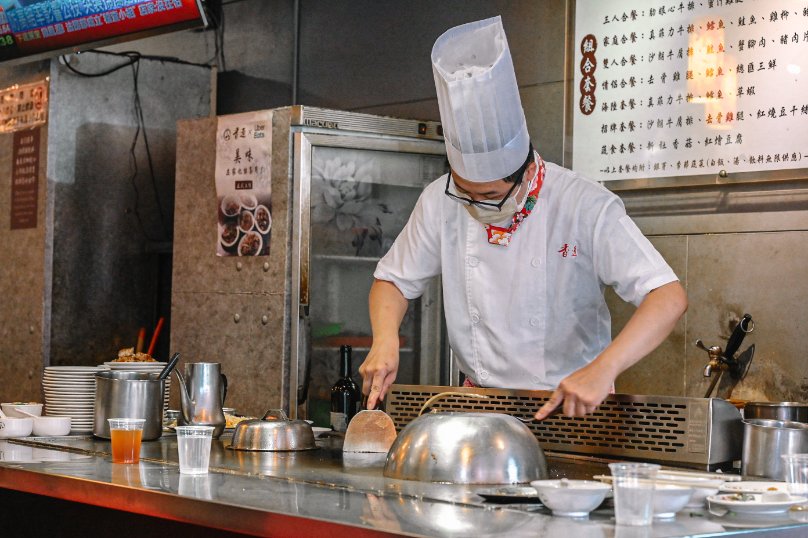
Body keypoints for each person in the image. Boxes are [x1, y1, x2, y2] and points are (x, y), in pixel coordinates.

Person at [359, 16, 687, 419]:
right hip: (479, 408)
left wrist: (603, 369)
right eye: (465, 193)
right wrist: (385, 338)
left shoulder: (584, 205)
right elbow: (393, 280)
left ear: (528, 172)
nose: (475, 205)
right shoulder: (439, 200)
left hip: (570, 408)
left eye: (491, 196)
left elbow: (667, 297)